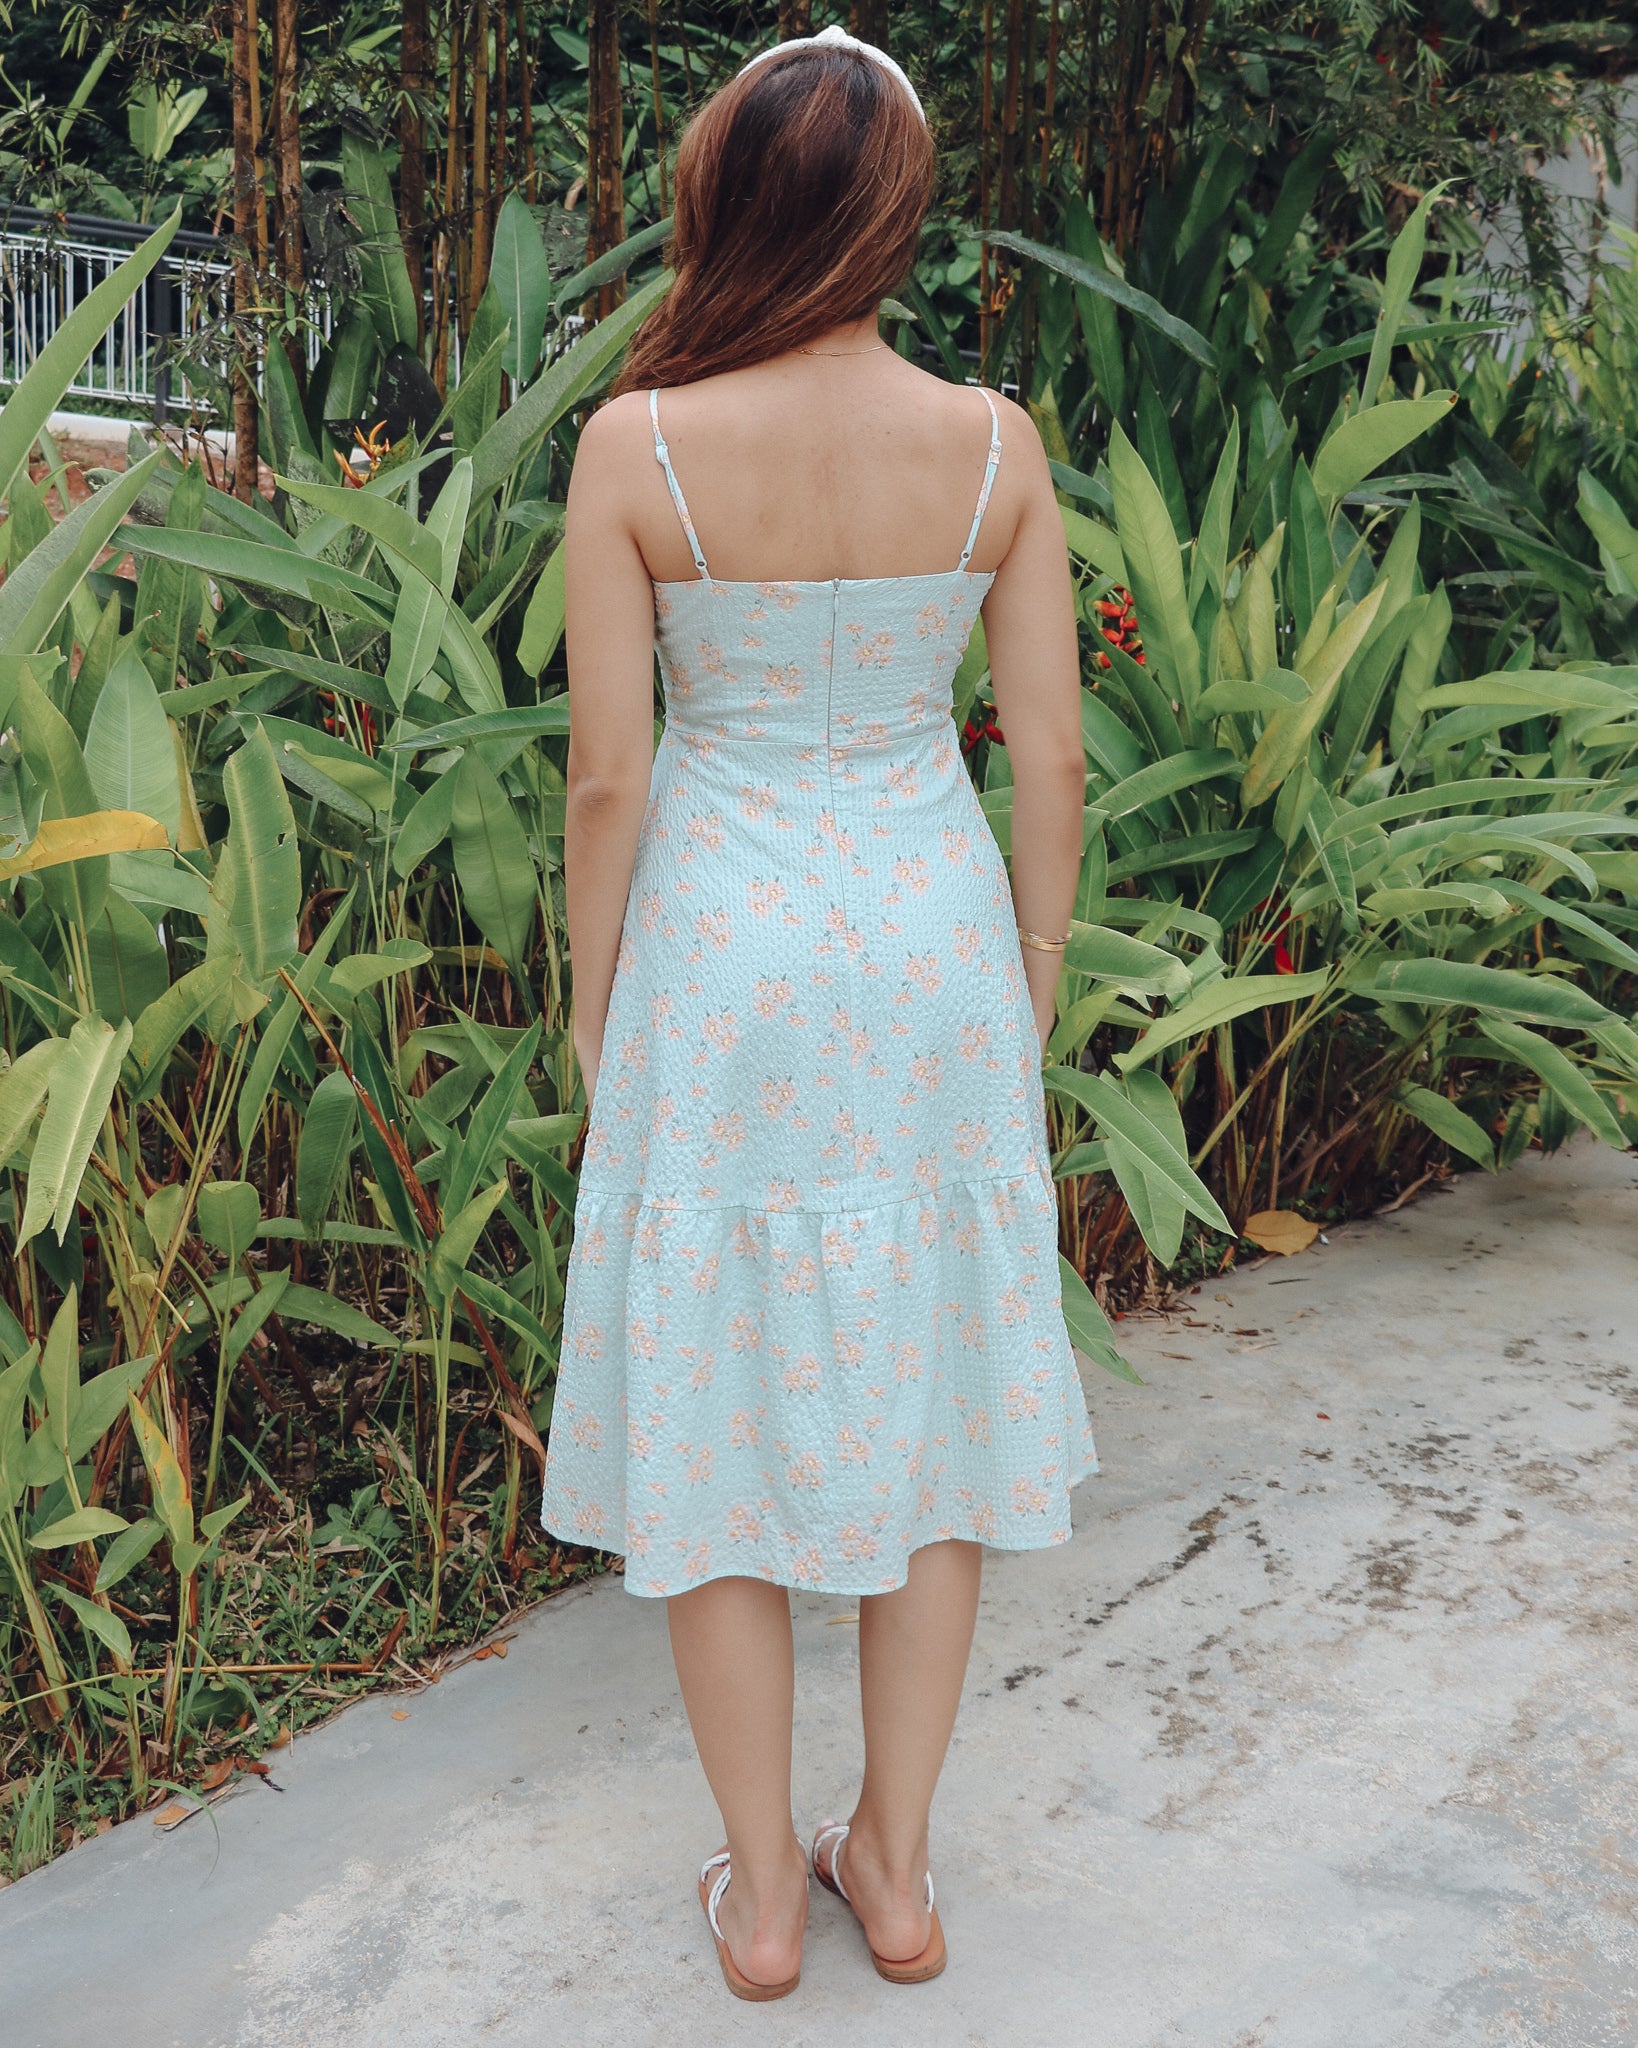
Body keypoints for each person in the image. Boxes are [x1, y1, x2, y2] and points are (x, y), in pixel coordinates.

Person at [539, 22, 1097, 2001]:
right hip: (931, 947)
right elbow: (1046, 760)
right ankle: (906, 1873)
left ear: (725, 198)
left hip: (725, 955)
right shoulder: (995, 446)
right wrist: (1023, 986)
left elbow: (611, 776)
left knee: (715, 1413)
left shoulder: (641, 446)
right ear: (893, 211)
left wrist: (595, 1001)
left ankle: (770, 1902)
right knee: (928, 1414)